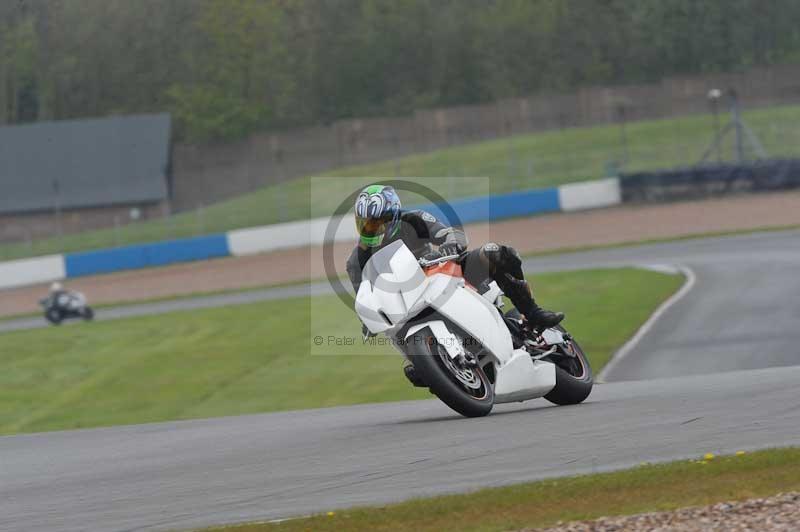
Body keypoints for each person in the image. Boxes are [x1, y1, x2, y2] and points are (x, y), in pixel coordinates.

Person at [345, 184, 564, 336]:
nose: (373, 228)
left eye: (378, 222)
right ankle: (425, 359)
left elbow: (451, 234)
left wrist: (451, 242)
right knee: (394, 332)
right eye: (367, 224)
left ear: (393, 215)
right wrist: (367, 318)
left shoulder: (415, 219)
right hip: (409, 302)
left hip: (446, 272)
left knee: (496, 252)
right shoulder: (356, 261)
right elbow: (364, 298)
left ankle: (532, 313)